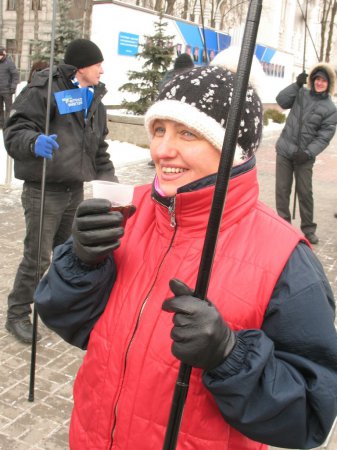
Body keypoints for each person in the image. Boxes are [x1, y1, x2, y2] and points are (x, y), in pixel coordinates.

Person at [35, 64, 337, 450]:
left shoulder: (285, 259)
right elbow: (67, 321)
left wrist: (230, 356)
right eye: (159, 130)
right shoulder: (126, 212)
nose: (162, 149)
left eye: (187, 133)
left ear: (234, 147)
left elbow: (311, 416)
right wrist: (81, 262)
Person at [4, 38, 117, 344]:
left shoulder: (94, 100)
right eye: (98, 64)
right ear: (82, 67)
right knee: (38, 257)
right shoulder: (45, 89)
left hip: (74, 190)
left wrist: (112, 185)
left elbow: (99, 149)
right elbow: (15, 129)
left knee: (68, 255)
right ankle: (17, 314)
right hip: (44, 189)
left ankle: (57, 306)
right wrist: (32, 142)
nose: (102, 70)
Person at [275, 63, 337, 244]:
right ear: (312, 79)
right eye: (317, 79)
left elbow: (324, 137)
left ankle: (308, 228)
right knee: (282, 190)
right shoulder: (301, 93)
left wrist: (308, 153)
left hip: (304, 157)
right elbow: (281, 100)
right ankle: (283, 225)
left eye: (323, 80)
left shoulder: (331, 109)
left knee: (305, 192)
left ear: (329, 83)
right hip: (285, 150)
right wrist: (295, 85)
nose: (319, 83)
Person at [0, 46, 19, 128]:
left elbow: (15, 75)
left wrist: (13, 87)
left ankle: (8, 124)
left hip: (7, 91)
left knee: (9, 108)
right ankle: (1, 124)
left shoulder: (9, 63)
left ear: (4, 54)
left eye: (1, 55)